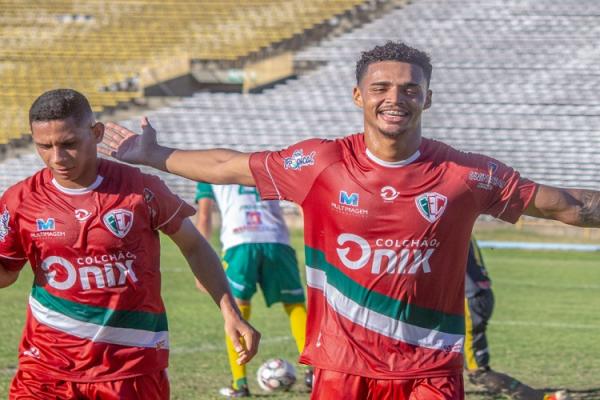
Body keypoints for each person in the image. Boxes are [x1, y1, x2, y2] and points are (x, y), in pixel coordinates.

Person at [101, 41, 600, 400]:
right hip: (341, 370)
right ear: (358, 96)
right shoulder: (321, 164)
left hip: (429, 369)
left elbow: (562, 204)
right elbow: (227, 166)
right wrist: (155, 153)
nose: (395, 98)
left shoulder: (463, 174)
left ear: (428, 98)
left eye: (410, 89)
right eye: (380, 87)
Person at [0, 89, 260, 399]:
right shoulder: (20, 201)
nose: (57, 157)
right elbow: (6, 273)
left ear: (96, 133)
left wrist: (230, 311)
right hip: (45, 370)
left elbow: (194, 245)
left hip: (131, 369)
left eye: (69, 144)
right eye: (44, 146)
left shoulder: (141, 189)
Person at [194, 182, 309, 397]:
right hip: (277, 241)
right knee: (295, 306)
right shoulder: (265, 168)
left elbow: (204, 217)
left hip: (239, 242)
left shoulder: (208, 173)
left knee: (236, 310)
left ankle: (240, 384)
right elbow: (301, 200)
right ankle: (315, 373)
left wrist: (200, 268)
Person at [464, 238, 568, 400]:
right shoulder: (462, 224)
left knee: (477, 372)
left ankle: (542, 398)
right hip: (479, 294)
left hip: (469, 299)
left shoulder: (443, 225)